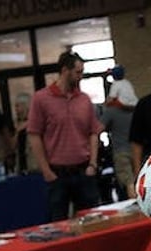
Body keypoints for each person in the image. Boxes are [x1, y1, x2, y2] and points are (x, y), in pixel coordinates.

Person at [28, 52, 103, 222]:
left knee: (92, 220)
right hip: (57, 173)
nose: (81, 76)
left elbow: (93, 132)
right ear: (64, 71)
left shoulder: (83, 100)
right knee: (58, 222)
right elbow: (34, 135)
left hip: (84, 170)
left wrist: (93, 163)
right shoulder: (41, 99)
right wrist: (46, 170)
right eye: (78, 72)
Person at [101, 67, 137, 199]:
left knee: (129, 182)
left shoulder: (112, 111)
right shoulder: (128, 85)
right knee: (140, 180)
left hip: (121, 150)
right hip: (137, 149)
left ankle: (136, 211)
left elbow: (99, 128)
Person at [12, 93, 37, 174]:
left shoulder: (37, 121)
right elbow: (13, 146)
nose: (15, 109)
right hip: (22, 168)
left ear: (25, 106)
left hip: (35, 168)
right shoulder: (17, 123)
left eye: (17, 106)